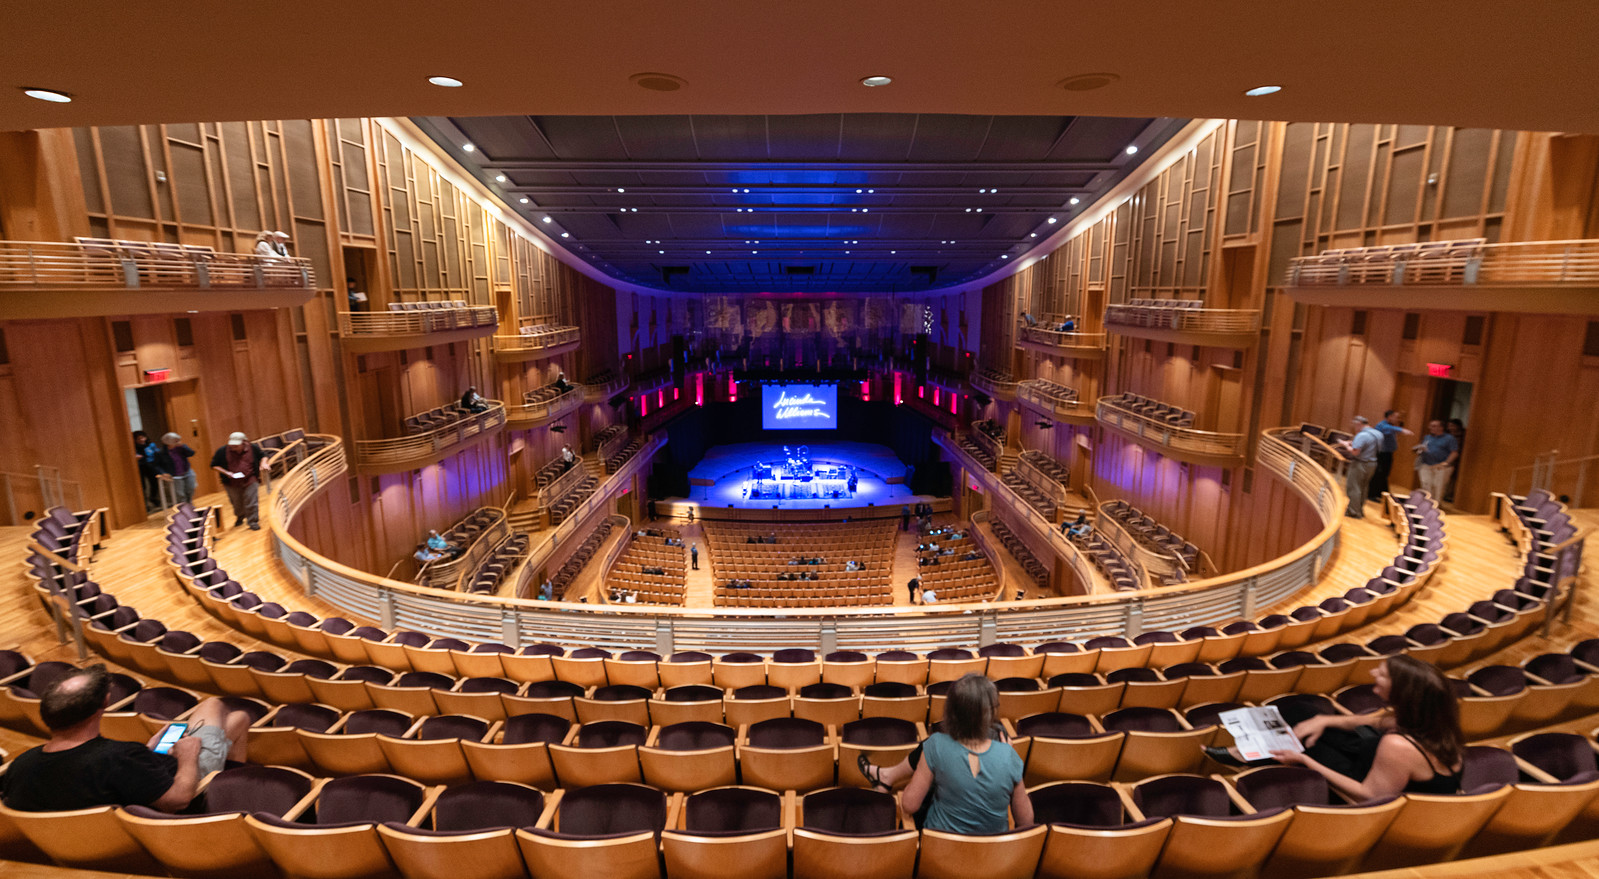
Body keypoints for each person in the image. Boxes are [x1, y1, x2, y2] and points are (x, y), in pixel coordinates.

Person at [0, 664, 250, 813]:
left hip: (137, 790)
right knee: (215, 705)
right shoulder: (119, 757)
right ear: (105, 704)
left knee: (236, 721)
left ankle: (231, 773)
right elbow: (177, 800)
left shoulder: (20, 766)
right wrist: (188, 756)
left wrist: (150, 753)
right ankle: (228, 783)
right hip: (187, 780)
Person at [1205, 656, 1463, 799]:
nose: (1373, 672)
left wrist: (1305, 762)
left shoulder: (1397, 746)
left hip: (1369, 788)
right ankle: (1252, 752)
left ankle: (1247, 756)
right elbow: (1372, 721)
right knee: (1300, 711)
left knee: (1304, 746)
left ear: (1401, 691)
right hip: (1379, 765)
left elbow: (1369, 795)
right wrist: (1324, 720)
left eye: (1382, 674)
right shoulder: (1431, 720)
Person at [892, 674, 1031, 833]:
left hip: (940, 851)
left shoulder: (936, 745)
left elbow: (909, 805)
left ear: (951, 712)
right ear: (990, 713)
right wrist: (1007, 753)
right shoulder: (1008, 755)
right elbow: (1026, 822)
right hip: (993, 855)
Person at [211, 431, 266, 530]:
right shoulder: (222, 451)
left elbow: (263, 456)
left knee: (251, 500)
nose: (233, 447)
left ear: (244, 442)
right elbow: (214, 465)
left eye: (236, 446)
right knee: (236, 502)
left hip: (250, 478)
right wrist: (227, 473)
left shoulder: (253, 448)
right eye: (231, 445)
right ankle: (240, 516)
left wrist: (264, 463)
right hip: (231, 482)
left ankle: (253, 521)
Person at [1336, 415, 1383, 518]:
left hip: (1360, 464)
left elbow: (1355, 452)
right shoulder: (1378, 434)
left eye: (1354, 425)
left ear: (1359, 423)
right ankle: (1360, 510)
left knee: (1354, 487)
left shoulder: (1362, 435)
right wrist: (1352, 443)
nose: (1354, 428)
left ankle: (1353, 512)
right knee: (1364, 487)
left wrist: (1346, 445)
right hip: (1372, 464)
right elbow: (1371, 446)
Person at [1369, 410, 1414, 497]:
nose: (1398, 419)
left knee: (1384, 474)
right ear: (1390, 417)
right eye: (1396, 417)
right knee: (1378, 474)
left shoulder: (1390, 426)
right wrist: (1401, 429)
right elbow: (1385, 428)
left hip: (1387, 454)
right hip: (1381, 454)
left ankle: (1381, 495)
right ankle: (1372, 495)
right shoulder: (1382, 425)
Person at [1412, 419, 1461, 499]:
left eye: (1434, 426)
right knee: (1426, 484)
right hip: (1426, 464)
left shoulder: (1449, 438)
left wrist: (1445, 463)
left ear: (1441, 428)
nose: (1431, 428)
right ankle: (1427, 505)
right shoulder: (1427, 437)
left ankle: (1435, 507)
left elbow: (1454, 453)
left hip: (1441, 467)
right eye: (1430, 426)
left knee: (1438, 487)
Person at [152, 432, 197, 507]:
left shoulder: (182, 448)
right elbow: (155, 465)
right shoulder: (160, 453)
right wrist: (163, 473)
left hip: (187, 472)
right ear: (168, 442)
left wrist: (183, 446)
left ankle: (189, 505)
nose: (177, 441)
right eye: (175, 440)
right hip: (175, 475)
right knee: (180, 494)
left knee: (191, 489)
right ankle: (185, 509)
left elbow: (191, 453)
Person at [132, 430, 159, 511]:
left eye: (142, 438)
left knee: (154, 482)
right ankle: (145, 504)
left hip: (151, 466)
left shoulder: (151, 445)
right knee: (142, 486)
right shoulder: (133, 448)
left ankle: (154, 498)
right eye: (139, 439)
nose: (141, 440)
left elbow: (157, 454)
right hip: (139, 467)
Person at [1444, 418, 1466, 503]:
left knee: (1454, 478)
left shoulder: (1463, 435)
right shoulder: (1447, 435)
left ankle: (1451, 495)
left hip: (1458, 460)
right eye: (1449, 426)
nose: (1450, 427)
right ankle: (1445, 494)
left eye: (1452, 426)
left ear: (1458, 426)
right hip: (1447, 458)